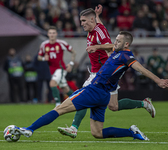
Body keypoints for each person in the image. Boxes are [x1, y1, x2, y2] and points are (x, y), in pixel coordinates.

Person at [9, 31, 168, 141]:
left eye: (118, 40)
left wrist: (158, 80)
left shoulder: (126, 55)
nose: (115, 42)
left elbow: (140, 68)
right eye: (115, 39)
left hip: (94, 90)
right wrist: (97, 26)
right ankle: (131, 132)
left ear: (126, 43)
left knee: (59, 109)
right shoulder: (116, 51)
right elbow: (108, 46)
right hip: (103, 95)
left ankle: (29, 129)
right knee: (97, 133)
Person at [57, 5, 156, 139]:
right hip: (105, 75)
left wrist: (96, 47)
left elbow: (112, 46)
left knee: (84, 95)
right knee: (113, 106)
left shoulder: (98, 31)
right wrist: (98, 16)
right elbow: (102, 30)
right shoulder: (95, 29)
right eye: (81, 21)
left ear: (91, 20)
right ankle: (144, 104)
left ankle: (74, 128)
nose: (82, 24)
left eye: (84, 21)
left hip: (101, 74)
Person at [37, 26, 76, 106]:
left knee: (52, 83)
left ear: (56, 34)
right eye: (50, 33)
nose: (52, 35)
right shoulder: (44, 45)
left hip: (61, 68)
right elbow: (39, 57)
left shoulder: (61, 43)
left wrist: (71, 64)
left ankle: (57, 105)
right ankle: (78, 101)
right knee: (65, 88)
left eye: (53, 33)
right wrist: (44, 58)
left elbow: (73, 52)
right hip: (52, 70)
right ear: (48, 34)